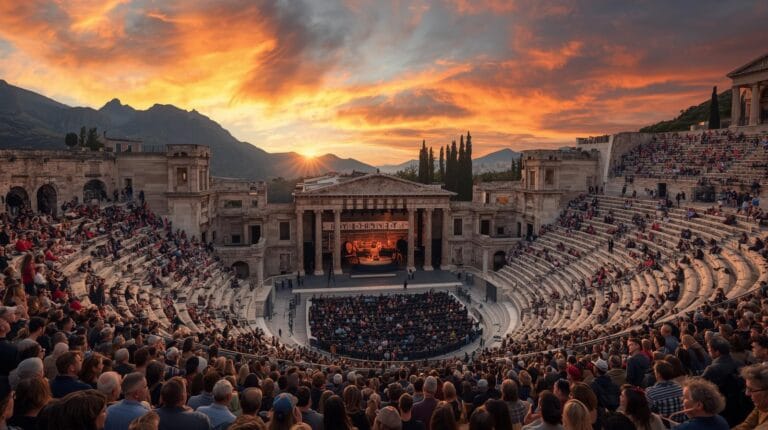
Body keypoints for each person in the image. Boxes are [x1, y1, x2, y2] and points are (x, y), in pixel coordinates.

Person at [734, 363, 768, 429]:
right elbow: (747, 424)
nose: (747, 393)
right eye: (746, 388)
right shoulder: (762, 405)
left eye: (751, 389)